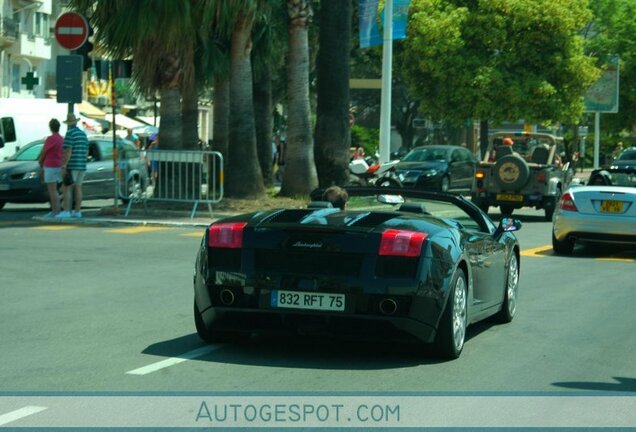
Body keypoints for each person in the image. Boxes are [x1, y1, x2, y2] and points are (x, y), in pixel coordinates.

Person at [59, 113, 89, 218]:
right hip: (82, 165)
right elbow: (86, 151)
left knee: (67, 188)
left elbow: (68, 150)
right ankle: (77, 211)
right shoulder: (83, 134)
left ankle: (66, 211)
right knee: (78, 187)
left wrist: (64, 165)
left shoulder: (70, 133)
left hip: (72, 165)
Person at [37, 118, 64, 218]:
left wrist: (40, 162)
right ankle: (58, 210)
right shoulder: (62, 139)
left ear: (50, 128)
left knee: (52, 190)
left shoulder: (50, 139)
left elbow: (44, 152)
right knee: (57, 189)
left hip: (50, 165)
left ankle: (55, 210)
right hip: (59, 165)